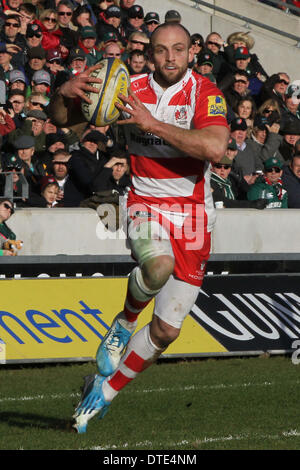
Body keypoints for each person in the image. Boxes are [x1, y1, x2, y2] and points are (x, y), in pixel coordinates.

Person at [53, 22, 229, 433]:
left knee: (167, 330)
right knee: (158, 266)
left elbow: (216, 147)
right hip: (144, 202)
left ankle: (104, 390)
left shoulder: (206, 93)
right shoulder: (124, 89)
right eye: (162, 50)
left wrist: (151, 124)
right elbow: (65, 121)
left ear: (191, 53)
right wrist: (64, 95)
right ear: (149, 54)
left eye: (179, 49)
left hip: (194, 216)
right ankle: (124, 322)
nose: (171, 57)